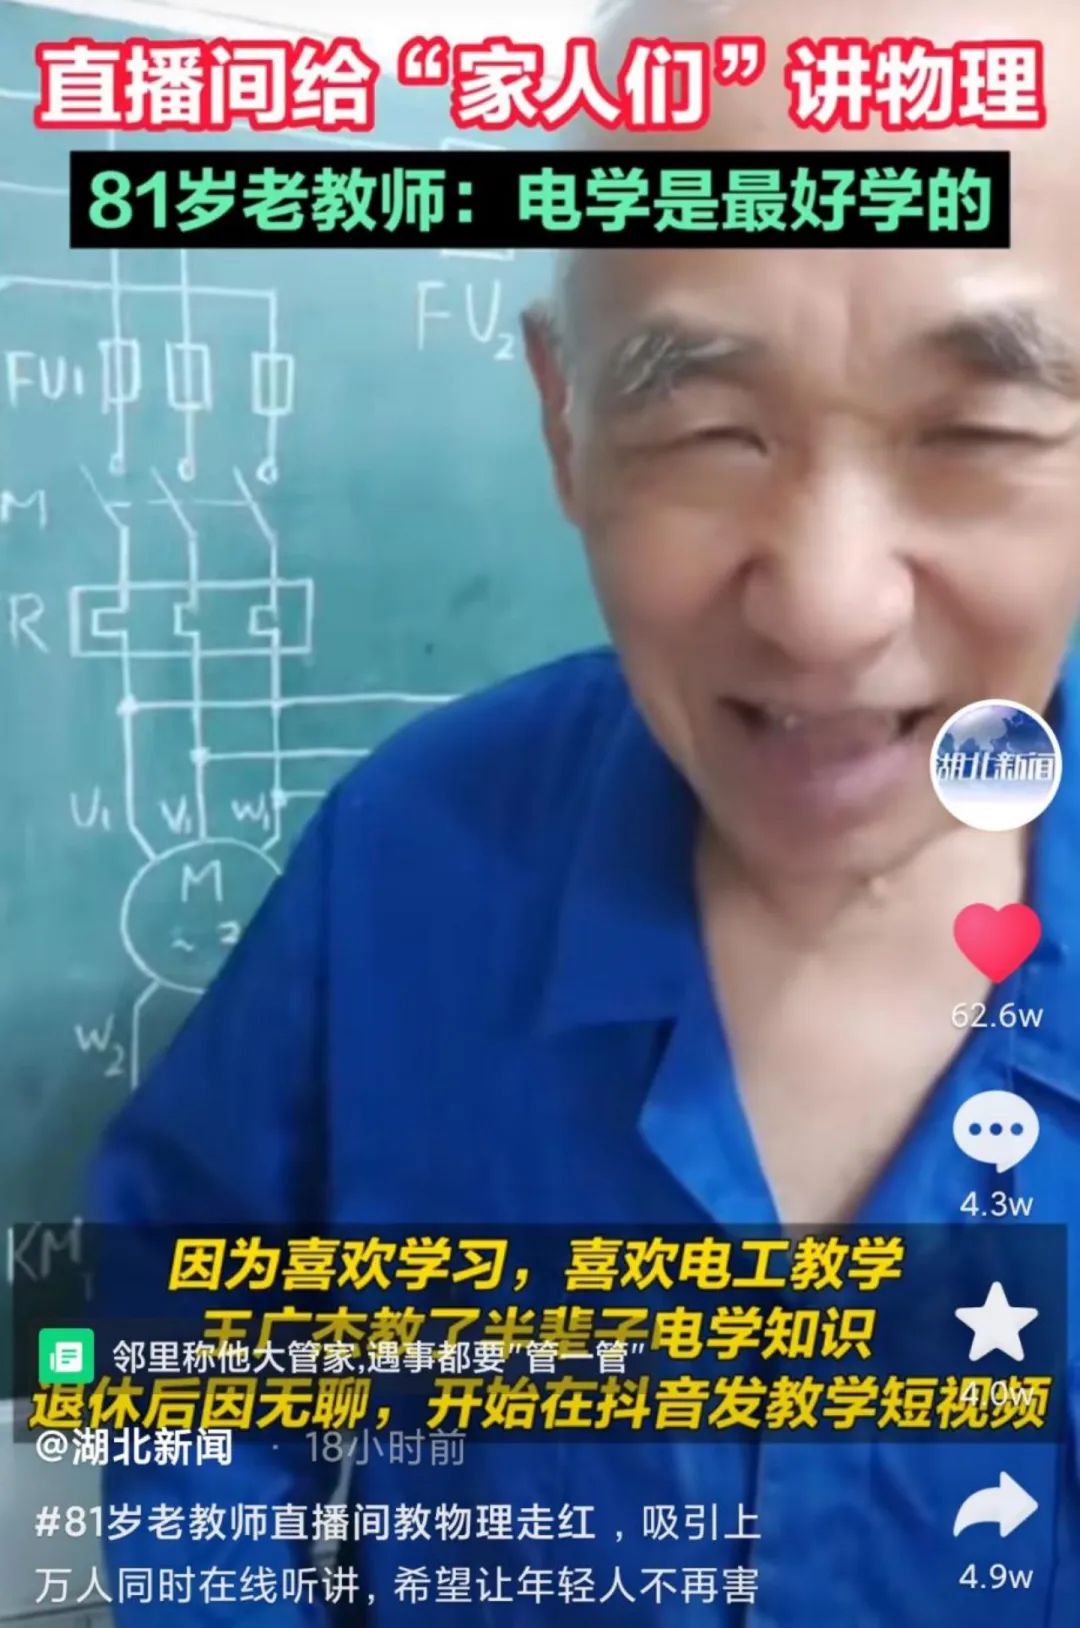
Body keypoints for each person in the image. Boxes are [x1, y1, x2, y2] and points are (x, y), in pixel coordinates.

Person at [87, 0, 1080, 1621]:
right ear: (567, 424)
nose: (826, 607)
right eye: (707, 429)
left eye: (975, 431)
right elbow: (192, 1361)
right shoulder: (403, 874)